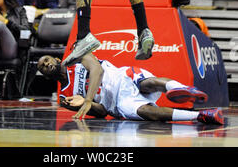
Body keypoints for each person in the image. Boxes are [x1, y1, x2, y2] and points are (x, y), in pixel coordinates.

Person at [37, 52, 224, 124]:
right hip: (117, 103)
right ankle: (202, 115)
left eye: (46, 60)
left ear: (57, 59)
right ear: (44, 76)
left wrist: (86, 99)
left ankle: (183, 89)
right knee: (148, 112)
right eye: (42, 67)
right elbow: (102, 112)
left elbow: (97, 69)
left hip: (121, 77)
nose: (45, 64)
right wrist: (86, 105)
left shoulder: (76, 57)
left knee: (148, 83)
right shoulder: (64, 96)